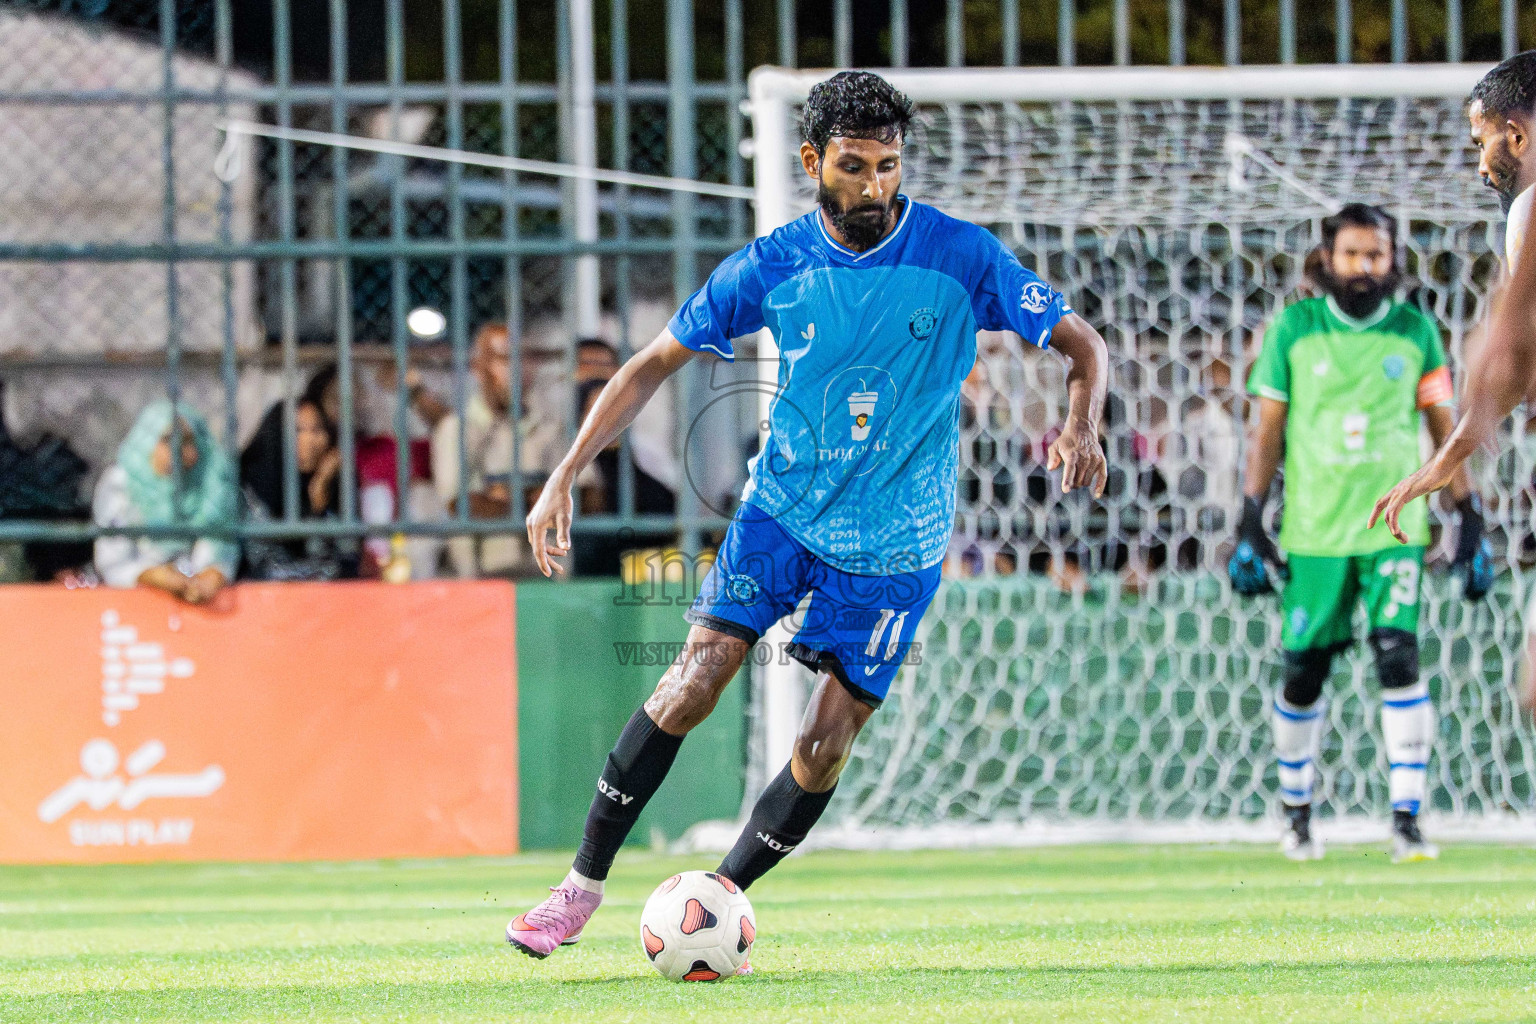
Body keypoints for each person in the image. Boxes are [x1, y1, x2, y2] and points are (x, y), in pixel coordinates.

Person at [506, 71, 1109, 963]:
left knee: (824, 744)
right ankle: (577, 890)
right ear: (811, 161)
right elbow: (646, 365)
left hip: (898, 543)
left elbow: (1081, 342)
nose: (873, 188)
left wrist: (1080, 423)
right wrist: (563, 473)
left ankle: (716, 900)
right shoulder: (771, 264)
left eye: (888, 168)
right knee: (691, 680)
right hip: (781, 515)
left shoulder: (961, 254)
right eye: (854, 167)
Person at [1231, 203, 1490, 864]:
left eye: (1375, 254)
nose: (1365, 266)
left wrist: (1470, 513)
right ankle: (1297, 817)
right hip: (1315, 530)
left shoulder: (1416, 331)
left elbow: (1444, 428)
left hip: (1396, 530)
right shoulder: (1293, 329)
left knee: (1399, 659)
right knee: (1303, 674)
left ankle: (1406, 821)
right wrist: (1251, 514)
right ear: (1328, 258)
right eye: (1352, 254)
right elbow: (1269, 430)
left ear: (1392, 257)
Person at [1372, 52, 1536, 714]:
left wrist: (1497, 335)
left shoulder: (1527, 208)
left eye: (1482, 140)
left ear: (1517, 136)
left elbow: (1512, 352)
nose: (1479, 165)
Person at [431, 322, 569, 577]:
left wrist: (503, 499)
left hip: (550, 580)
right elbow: (460, 504)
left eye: (524, 358)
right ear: (477, 368)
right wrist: (537, 503)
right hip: (480, 581)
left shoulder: (552, 428)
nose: (518, 369)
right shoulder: (456, 429)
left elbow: (589, 497)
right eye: (505, 359)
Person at [93, 401, 239, 605]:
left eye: (188, 441)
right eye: (169, 440)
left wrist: (213, 574)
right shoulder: (121, 483)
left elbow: (220, 549)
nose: (179, 451)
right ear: (146, 442)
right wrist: (152, 575)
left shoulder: (209, 481)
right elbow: (112, 560)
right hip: (132, 604)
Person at [239, 381, 357, 581]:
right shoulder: (252, 486)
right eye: (297, 431)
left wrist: (320, 494)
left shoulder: (335, 481)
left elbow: (348, 561)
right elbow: (267, 568)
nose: (309, 441)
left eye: (317, 430)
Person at [570, 376, 677, 577]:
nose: (609, 419)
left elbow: (668, 515)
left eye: (617, 409)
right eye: (596, 410)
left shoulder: (639, 467)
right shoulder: (568, 467)